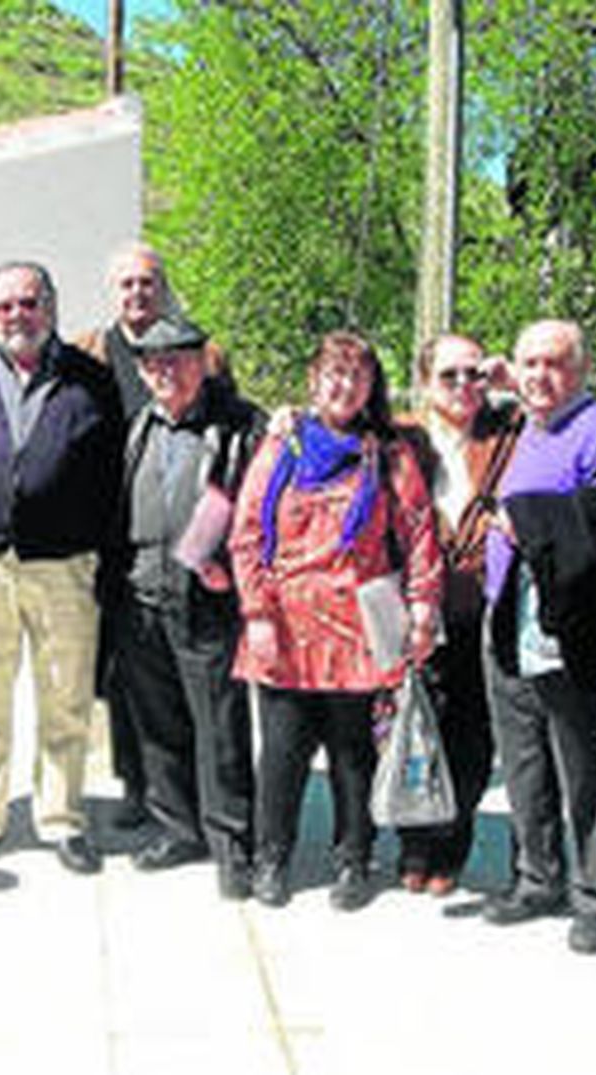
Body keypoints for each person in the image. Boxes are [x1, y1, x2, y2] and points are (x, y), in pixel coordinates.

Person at [230, 330, 443, 911]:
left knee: (354, 756)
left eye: (357, 376)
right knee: (281, 753)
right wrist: (257, 614)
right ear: (313, 380)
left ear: (371, 386)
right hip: (286, 626)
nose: (344, 386)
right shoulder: (282, 447)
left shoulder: (390, 454)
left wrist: (423, 603)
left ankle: (354, 858)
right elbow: (247, 535)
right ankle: (271, 857)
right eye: (334, 374)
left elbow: (419, 532)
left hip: (357, 627)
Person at [481, 319, 596, 955]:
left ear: (580, 369)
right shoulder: (527, 424)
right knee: (524, 758)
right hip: (509, 617)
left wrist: (535, 526)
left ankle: (595, 901)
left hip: (571, 624)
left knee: (583, 766)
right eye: (528, 364)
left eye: (553, 363)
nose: (539, 375)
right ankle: (537, 878)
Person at [0, 260, 123, 876]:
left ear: (51, 306)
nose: (18, 316)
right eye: (5, 307)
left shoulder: (92, 381)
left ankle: (62, 818)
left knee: (65, 698)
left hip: (65, 566)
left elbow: (111, 477)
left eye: (29, 303)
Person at [73, 241, 231, 830]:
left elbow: (232, 421)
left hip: (190, 531)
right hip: (117, 529)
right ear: (112, 292)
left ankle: (202, 794)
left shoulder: (204, 351)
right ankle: (140, 784)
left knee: (193, 673)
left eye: (148, 283)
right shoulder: (87, 351)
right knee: (124, 670)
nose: (138, 293)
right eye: (127, 285)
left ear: (162, 287)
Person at [111, 315, 264, 899]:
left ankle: (232, 845)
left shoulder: (241, 426)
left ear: (202, 361)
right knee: (159, 724)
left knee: (220, 727)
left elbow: (259, 510)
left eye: (177, 359)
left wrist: (235, 568)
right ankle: (178, 828)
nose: (165, 371)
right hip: (142, 594)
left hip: (208, 598)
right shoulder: (141, 423)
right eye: (153, 363)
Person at [390, 334, 521, 896]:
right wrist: (288, 420)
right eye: (449, 376)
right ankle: (414, 842)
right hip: (412, 606)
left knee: (471, 734)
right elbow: (333, 424)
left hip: (477, 605)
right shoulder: (401, 437)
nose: (465, 386)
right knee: (412, 728)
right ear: (424, 382)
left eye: (474, 374)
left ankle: (453, 843)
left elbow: (554, 403)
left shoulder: (505, 433)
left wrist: (510, 378)